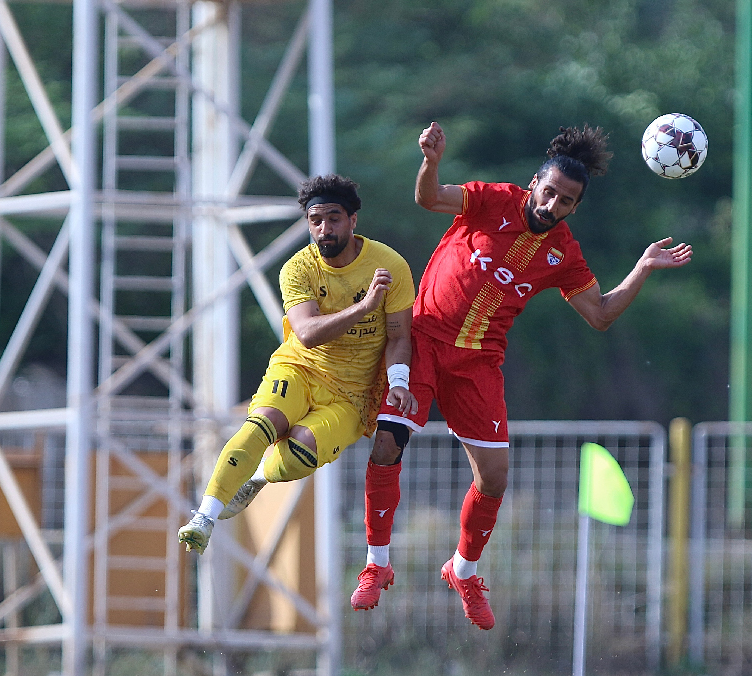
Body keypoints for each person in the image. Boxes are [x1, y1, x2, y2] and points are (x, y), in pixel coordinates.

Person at [349, 122, 693, 629]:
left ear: (575, 207)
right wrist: (431, 161)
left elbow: (599, 314)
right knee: (387, 444)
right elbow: (428, 198)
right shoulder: (493, 200)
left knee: (494, 478)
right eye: (549, 191)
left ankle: (463, 571)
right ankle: (376, 564)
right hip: (424, 340)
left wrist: (641, 267)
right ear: (535, 182)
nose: (552, 205)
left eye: (565, 201)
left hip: (479, 363)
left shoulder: (563, 252)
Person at [178, 174, 417, 555]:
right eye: (315, 220)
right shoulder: (297, 268)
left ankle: (258, 475)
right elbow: (306, 333)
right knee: (261, 424)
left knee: (300, 454)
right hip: (300, 368)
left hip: (352, 394)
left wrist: (399, 381)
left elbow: (399, 335)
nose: (324, 229)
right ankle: (203, 518)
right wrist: (363, 307)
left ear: (353, 220)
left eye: (334, 219)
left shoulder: (389, 266)